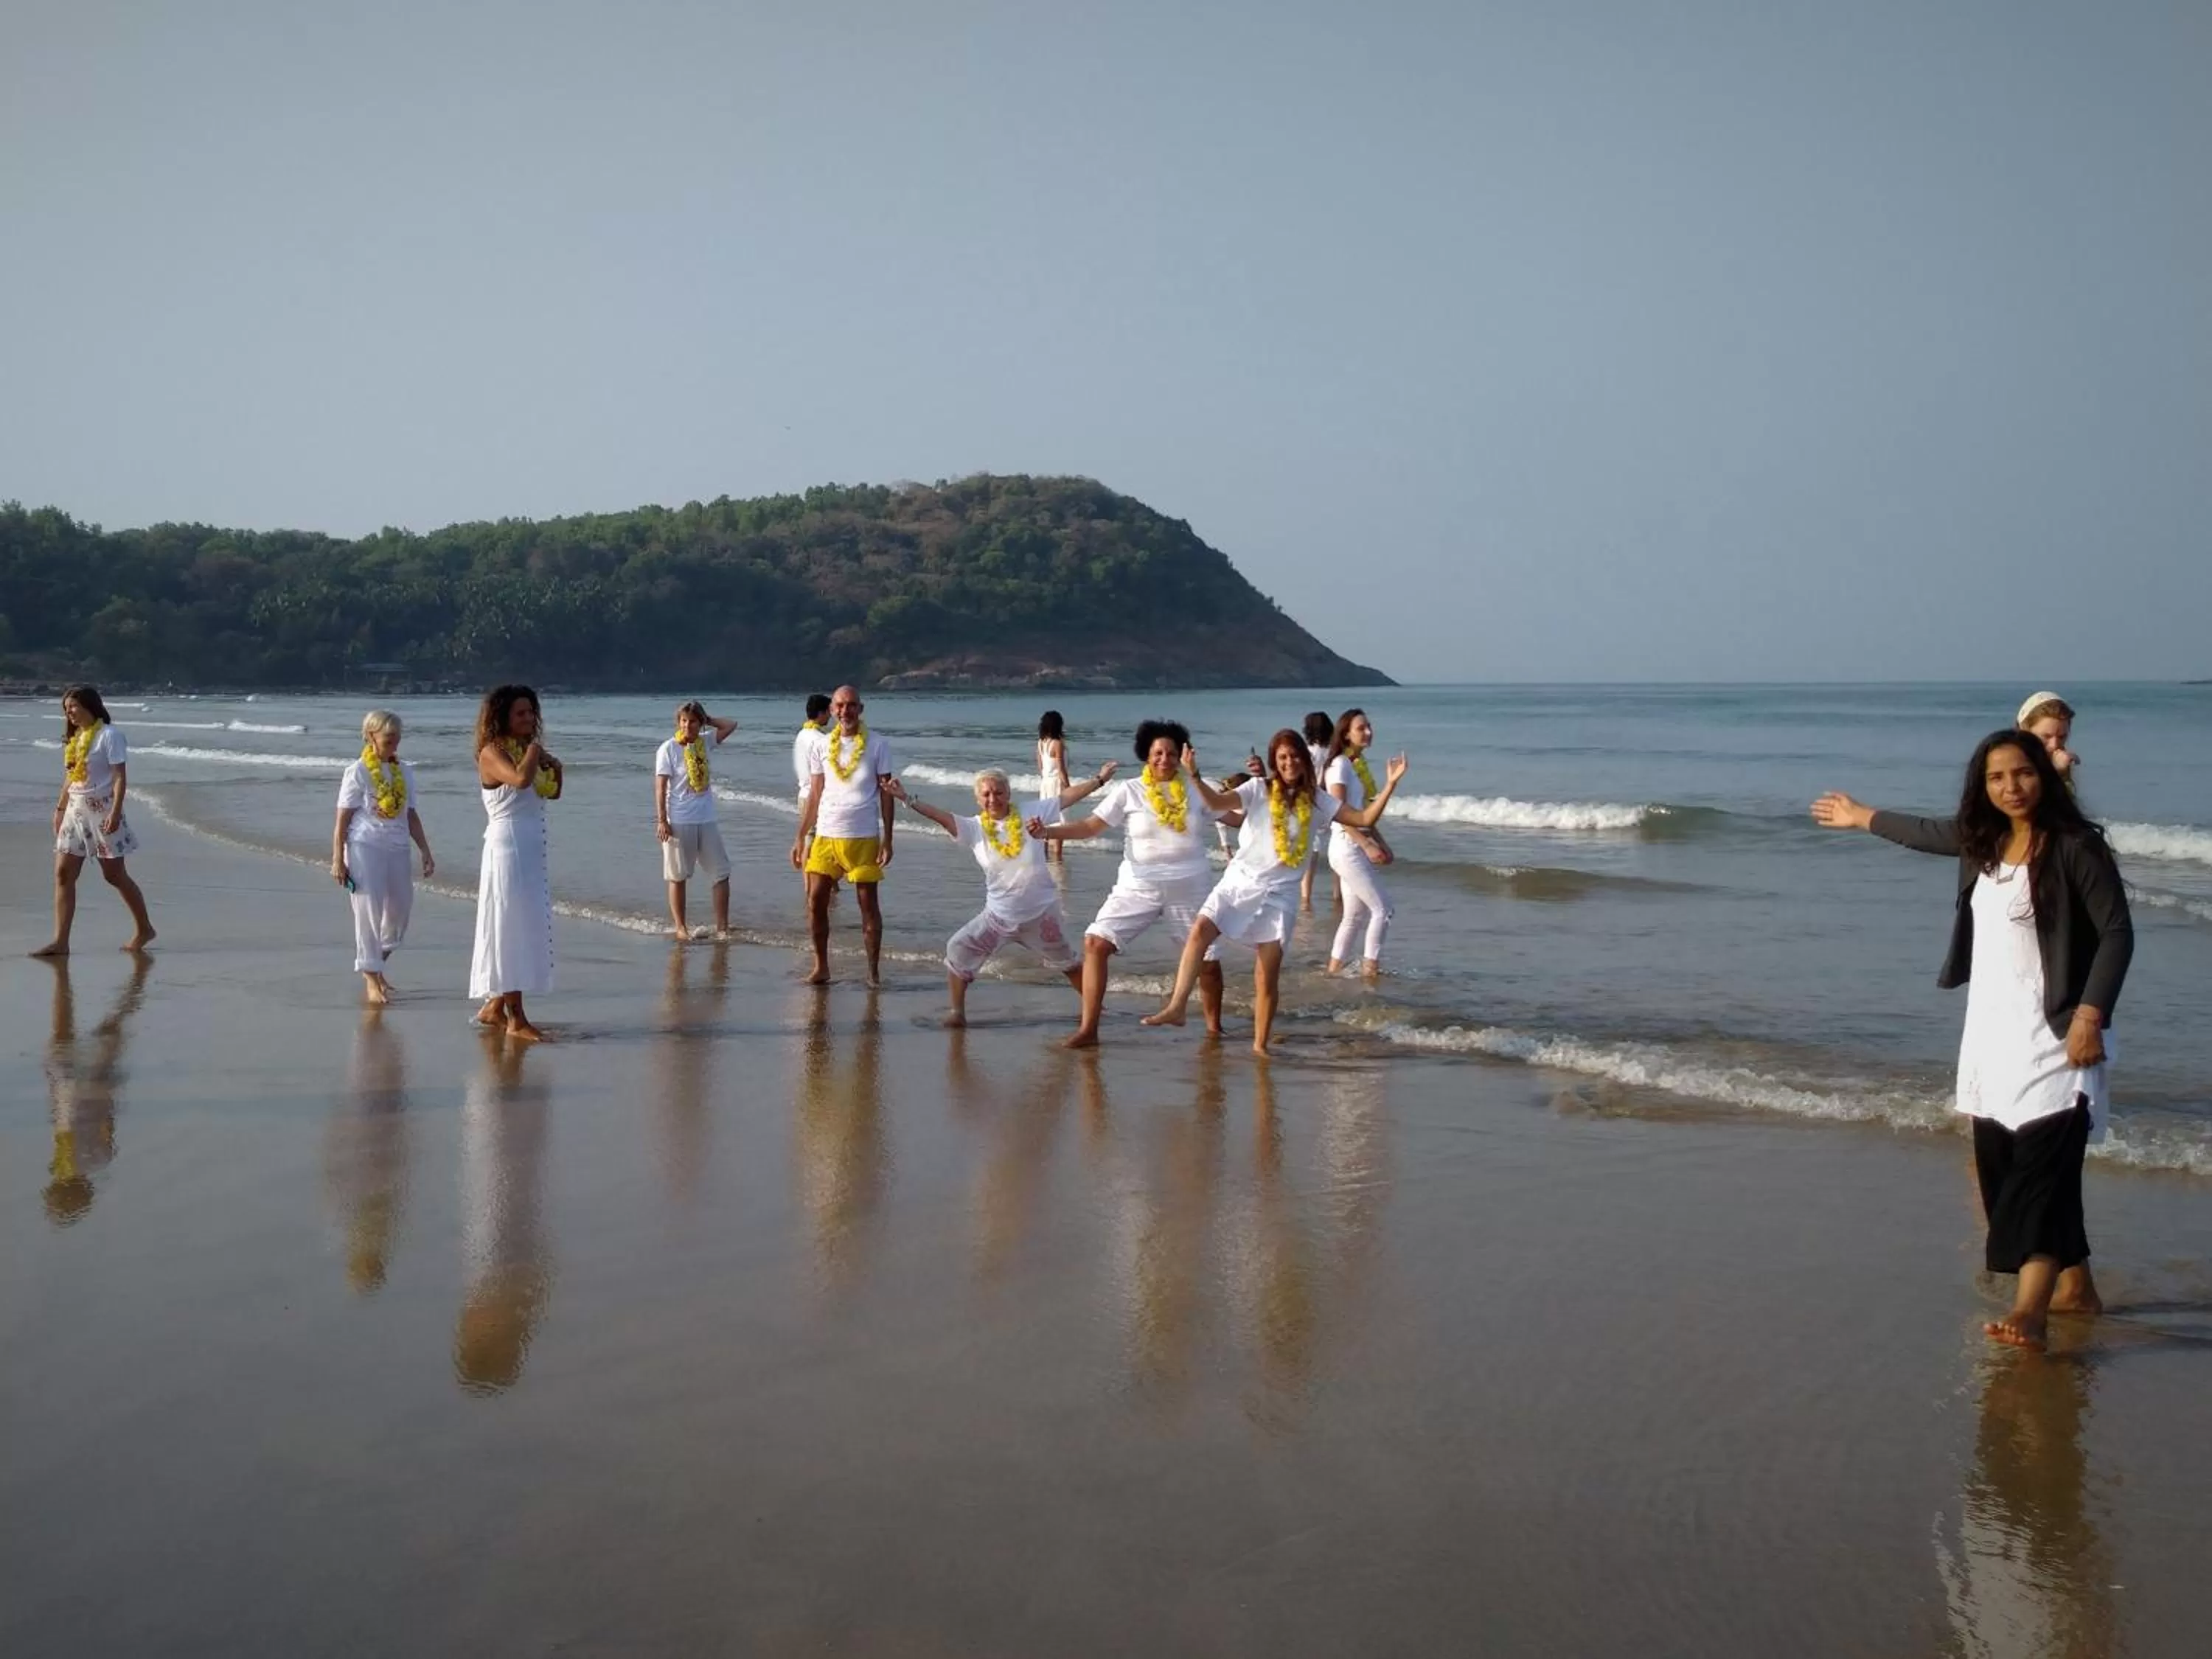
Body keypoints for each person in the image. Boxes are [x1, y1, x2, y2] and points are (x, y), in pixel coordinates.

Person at [1812, 728, 2132, 1351]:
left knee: (2040, 1176)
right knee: (2008, 1171)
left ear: (2045, 774)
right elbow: (1926, 833)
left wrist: (2093, 1015)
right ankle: (2078, 1290)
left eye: (2023, 773)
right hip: (1993, 1038)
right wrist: (1860, 816)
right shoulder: (1981, 843)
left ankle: (2031, 1311)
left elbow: (2117, 933)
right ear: (1982, 787)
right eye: (1996, 778)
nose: (2011, 787)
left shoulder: (2074, 847)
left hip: (2060, 1037)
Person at [1143, 729, 1407, 1054]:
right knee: (1200, 930)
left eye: (1294, 755)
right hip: (1240, 881)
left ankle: (1260, 1045)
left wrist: (1391, 784)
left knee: (1266, 974)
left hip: (1280, 894)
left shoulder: (1316, 799)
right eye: (1282, 757)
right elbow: (1216, 803)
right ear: (1274, 762)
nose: (1289, 762)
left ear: (1303, 760)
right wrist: (1194, 775)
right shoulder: (1257, 789)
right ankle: (1178, 1006)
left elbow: (1364, 817)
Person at [1029, 720, 1225, 1048]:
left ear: (1183, 756)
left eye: (1172, 753)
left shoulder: (1197, 789)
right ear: (1146, 755)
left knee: (1208, 962)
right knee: (1095, 943)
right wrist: (1048, 832)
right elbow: (1091, 827)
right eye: (1158, 753)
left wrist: (1264, 788)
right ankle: (1089, 1030)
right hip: (1138, 885)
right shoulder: (1130, 790)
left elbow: (1235, 815)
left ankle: (1214, 1031)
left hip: (1190, 885)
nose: (1165, 759)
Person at [886, 759, 1119, 1026]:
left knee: (1069, 964)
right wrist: (905, 798)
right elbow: (940, 816)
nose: (993, 798)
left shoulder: (1031, 813)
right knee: (958, 949)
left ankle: (1097, 1008)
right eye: (986, 794)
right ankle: (957, 1013)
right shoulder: (974, 828)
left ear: (1009, 794)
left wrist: (1099, 780)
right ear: (978, 799)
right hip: (997, 918)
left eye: (998, 792)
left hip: (1041, 916)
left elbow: (1065, 798)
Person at [34, 685, 156, 957]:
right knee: (63, 874)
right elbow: (71, 777)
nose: (70, 713)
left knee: (114, 875)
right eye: (66, 710)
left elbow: (120, 777)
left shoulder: (110, 736)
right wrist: (59, 809)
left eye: (74, 707)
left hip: (103, 811)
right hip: (75, 811)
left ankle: (145, 928)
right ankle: (61, 942)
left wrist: (115, 813)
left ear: (91, 705)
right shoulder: (76, 738)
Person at [470, 684, 563, 1042]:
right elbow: (522, 780)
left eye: (531, 712)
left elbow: (551, 792)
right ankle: (516, 1018)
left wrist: (555, 767)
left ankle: (494, 1006)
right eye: (520, 713)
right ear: (503, 718)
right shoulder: (492, 753)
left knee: (521, 924)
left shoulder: (524, 750)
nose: (529, 719)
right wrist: (537, 751)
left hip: (530, 845)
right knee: (509, 928)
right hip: (506, 847)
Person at [791, 684, 897, 984]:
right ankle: (821, 966)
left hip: (863, 837)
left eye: (851, 705)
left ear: (860, 709)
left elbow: (886, 795)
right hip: (826, 834)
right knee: (815, 902)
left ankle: (873, 973)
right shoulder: (821, 745)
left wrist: (888, 837)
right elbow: (815, 794)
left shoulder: (877, 745)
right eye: (839, 705)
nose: (844, 711)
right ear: (833, 709)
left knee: (868, 907)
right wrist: (800, 836)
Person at [332, 710, 437, 1004]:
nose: (395, 745)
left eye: (398, 739)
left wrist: (425, 850)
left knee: (400, 911)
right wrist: (338, 858)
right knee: (368, 911)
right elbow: (342, 819)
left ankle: (376, 965)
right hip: (365, 845)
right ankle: (370, 978)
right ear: (371, 736)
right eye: (389, 739)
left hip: (398, 846)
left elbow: (411, 815)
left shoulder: (405, 771)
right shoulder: (358, 772)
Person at [1323, 708, 1397, 979]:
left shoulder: (1353, 765)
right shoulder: (1340, 765)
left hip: (1353, 845)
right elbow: (1338, 811)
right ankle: (1370, 972)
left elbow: (1363, 812)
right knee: (1383, 909)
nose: (1368, 732)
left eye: (1369, 727)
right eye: (1361, 728)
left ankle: (1333, 972)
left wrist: (1381, 842)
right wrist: (1366, 844)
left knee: (1354, 916)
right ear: (1345, 733)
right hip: (1346, 846)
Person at [655, 700, 739, 939]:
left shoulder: (706, 743)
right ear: (678, 722)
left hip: (707, 818)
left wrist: (708, 720)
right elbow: (660, 787)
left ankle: (722, 928)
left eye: (693, 721)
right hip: (679, 820)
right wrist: (662, 820)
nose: (687, 726)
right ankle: (681, 928)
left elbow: (731, 725)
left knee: (721, 873)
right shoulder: (669, 749)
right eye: (683, 721)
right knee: (678, 875)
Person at [1298, 710, 1335, 911]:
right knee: (1336, 846)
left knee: (1312, 849)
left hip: (1311, 800)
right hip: (1332, 800)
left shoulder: (1308, 752)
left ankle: (1306, 895)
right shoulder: (1332, 752)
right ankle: (1338, 893)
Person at [2017, 692, 2080, 786]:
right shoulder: (2012, 763)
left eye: (2062, 737)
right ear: (2025, 732)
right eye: (2046, 736)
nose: (2054, 745)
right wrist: (2058, 773)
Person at [1036, 711, 1072, 862]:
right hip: (1056, 784)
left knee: (1045, 819)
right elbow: (1061, 768)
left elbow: (1040, 766)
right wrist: (1068, 786)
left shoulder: (1040, 742)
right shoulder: (1057, 744)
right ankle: (1057, 856)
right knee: (1060, 822)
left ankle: (1043, 855)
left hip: (1045, 783)